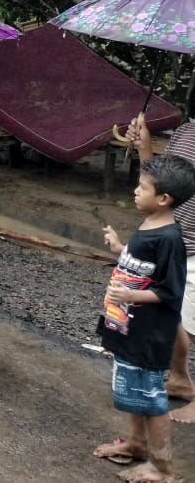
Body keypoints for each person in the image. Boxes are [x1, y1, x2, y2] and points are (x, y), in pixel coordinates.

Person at [91, 154, 195, 483]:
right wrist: (120, 248)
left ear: (164, 199)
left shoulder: (169, 239)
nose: (135, 191)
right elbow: (145, 267)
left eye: (142, 187)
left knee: (151, 398)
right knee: (134, 391)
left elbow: (170, 290)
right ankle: (137, 444)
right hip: (128, 326)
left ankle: (163, 469)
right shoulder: (150, 225)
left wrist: (132, 296)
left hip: (148, 334)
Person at [131, 112, 195, 424]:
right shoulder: (186, 130)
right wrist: (144, 147)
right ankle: (180, 377)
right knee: (170, 316)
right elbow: (161, 180)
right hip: (173, 242)